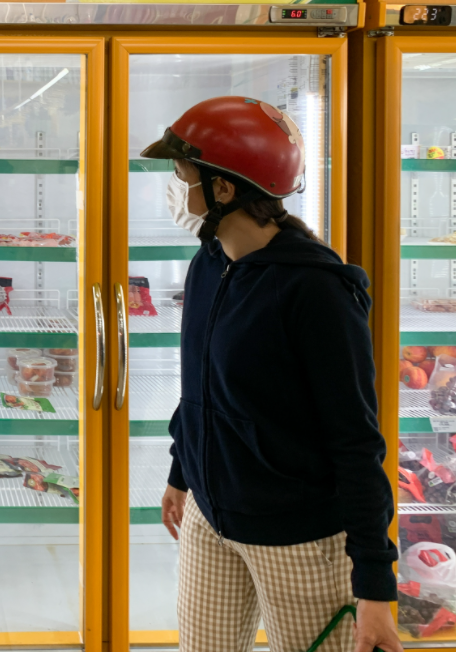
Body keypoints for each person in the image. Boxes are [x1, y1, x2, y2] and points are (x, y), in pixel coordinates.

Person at [141, 96, 402, 652]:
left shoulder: (317, 293)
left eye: (182, 174)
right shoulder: (210, 260)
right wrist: (180, 472)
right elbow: (200, 386)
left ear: (225, 189)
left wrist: (375, 587)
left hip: (298, 538)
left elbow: (357, 443)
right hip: (210, 520)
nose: (174, 187)